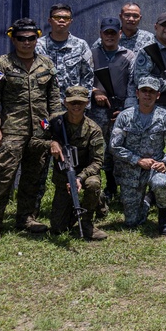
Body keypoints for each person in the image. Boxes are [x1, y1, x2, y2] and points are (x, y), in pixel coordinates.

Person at [0, 19, 62, 241]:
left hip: (40, 130)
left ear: (37, 38)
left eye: (31, 38)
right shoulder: (2, 64)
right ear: (13, 39)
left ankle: (26, 218)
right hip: (11, 130)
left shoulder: (46, 64)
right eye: (21, 39)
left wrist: (55, 126)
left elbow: (54, 97)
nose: (27, 42)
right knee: (4, 176)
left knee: (33, 176)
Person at [127, 12, 166, 198]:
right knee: (150, 146)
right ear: (156, 26)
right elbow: (140, 79)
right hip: (151, 107)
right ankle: (152, 186)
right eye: (164, 25)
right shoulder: (146, 50)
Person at [110, 77, 166, 235]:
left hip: (155, 167)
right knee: (132, 222)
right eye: (144, 91)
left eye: (151, 92)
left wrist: (165, 162)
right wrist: (137, 160)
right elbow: (114, 146)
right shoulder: (125, 116)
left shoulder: (165, 116)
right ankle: (148, 200)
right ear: (137, 93)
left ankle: (164, 218)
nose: (147, 95)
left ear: (157, 95)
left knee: (161, 183)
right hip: (131, 169)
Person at [46, 87, 106, 240]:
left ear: (86, 103)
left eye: (80, 102)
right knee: (58, 228)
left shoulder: (93, 129)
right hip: (62, 177)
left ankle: (87, 221)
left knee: (93, 184)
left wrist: (79, 177)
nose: (76, 106)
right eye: (72, 102)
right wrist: (51, 143)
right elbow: (34, 141)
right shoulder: (54, 121)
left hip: (85, 175)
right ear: (65, 102)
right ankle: (79, 207)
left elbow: (97, 161)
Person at [90, 16, 135, 203]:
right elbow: (82, 78)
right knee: (100, 149)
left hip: (121, 110)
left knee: (121, 148)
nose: (110, 36)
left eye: (113, 33)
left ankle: (126, 189)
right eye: (106, 33)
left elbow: (133, 84)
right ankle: (107, 187)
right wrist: (94, 91)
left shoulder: (129, 55)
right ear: (100, 34)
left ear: (120, 33)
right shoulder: (90, 53)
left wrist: (126, 110)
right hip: (97, 111)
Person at [36, 3, 94, 100]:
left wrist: (85, 103)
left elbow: (88, 76)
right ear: (49, 21)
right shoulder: (38, 45)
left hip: (73, 105)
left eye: (66, 18)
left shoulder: (81, 45)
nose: (61, 20)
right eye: (57, 17)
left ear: (71, 21)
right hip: (45, 104)